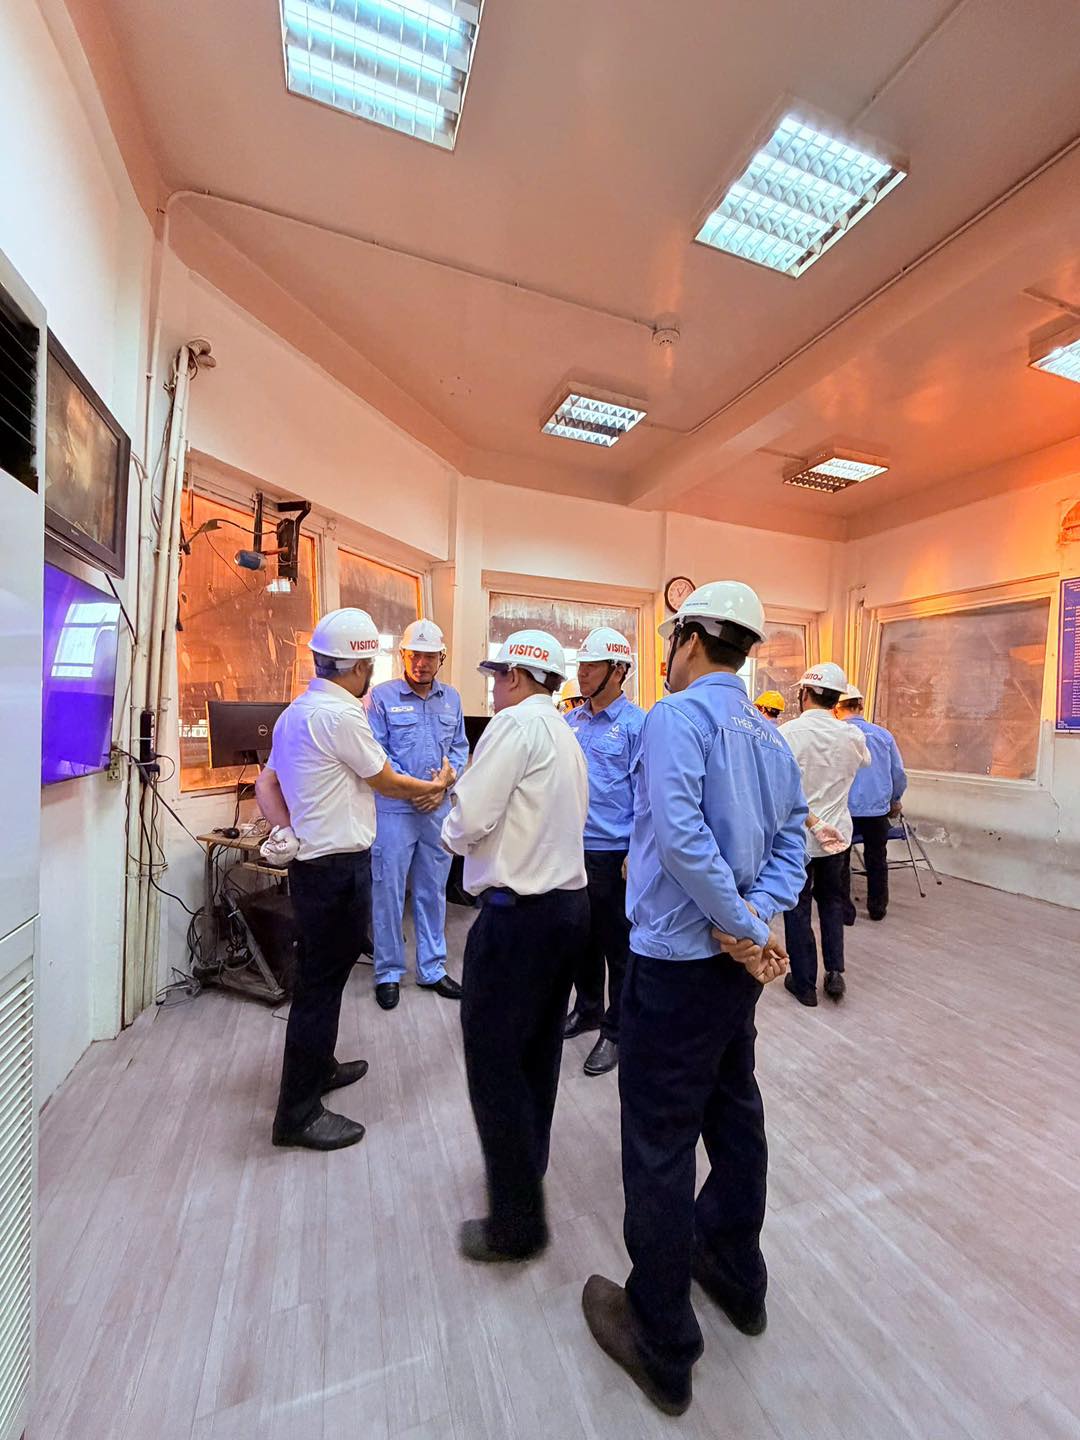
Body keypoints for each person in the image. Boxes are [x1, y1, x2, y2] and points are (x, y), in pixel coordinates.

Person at [580, 582, 808, 1417]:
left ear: (689, 639)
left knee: (660, 1142)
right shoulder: (770, 734)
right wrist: (753, 923)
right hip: (730, 973)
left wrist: (738, 923)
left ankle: (662, 1340)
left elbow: (679, 836)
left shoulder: (675, 718)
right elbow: (793, 841)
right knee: (733, 1110)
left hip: (675, 966)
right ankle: (738, 1276)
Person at [254, 608, 454, 1152]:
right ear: (359, 666)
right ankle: (296, 1115)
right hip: (336, 872)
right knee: (318, 991)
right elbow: (386, 781)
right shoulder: (343, 716)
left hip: (313, 867)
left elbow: (265, 785)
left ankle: (319, 1067)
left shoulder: (296, 712)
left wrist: (286, 831)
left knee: (324, 980)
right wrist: (434, 788)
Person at [441, 630, 589, 1263]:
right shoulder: (564, 731)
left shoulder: (512, 726)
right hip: (566, 912)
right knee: (537, 1053)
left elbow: (471, 817)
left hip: (516, 918)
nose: (494, 689)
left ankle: (516, 1224)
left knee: (495, 1064)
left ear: (518, 677)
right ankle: (529, 1166)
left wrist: (449, 831)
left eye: (497, 677)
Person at [366, 619, 470, 1011]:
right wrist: (417, 790)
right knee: (388, 892)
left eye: (429, 656)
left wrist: (443, 784)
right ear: (402, 655)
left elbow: (458, 747)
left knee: (432, 890)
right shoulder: (380, 698)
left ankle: (432, 968)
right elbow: (377, 754)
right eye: (414, 655)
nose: (421, 664)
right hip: (395, 809)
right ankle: (388, 972)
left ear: (441, 657)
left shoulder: (452, 699)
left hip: (436, 809)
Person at [563, 627, 645, 1076]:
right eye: (581, 665)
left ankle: (616, 1031)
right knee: (582, 941)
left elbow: (648, 794)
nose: (582, 674)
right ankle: (588, 1008)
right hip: (573, 851)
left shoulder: (638, 725)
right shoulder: (571, 721)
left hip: (616, 856)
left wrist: (637, 849)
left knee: (619, 948)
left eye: (591, 666)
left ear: (618, 671)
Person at [779, 663, 871, 1006]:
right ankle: (834, 973)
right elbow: (864, 762)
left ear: (804, 693)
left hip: (798, 838)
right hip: (837, 838)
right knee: (832, 903)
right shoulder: (852, 735)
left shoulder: (789, 734)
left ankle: (804, 984)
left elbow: (781, 789)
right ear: (837, 698)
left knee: (797, 908)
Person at [835, 684, 907, 922]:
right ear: (861, 705)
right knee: (877, 859)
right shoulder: (883, 735)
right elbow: (898, 773)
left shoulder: (835, 735)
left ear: (836, 708)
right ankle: (877, 908)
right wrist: (895, 799)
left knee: (841, 861)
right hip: (877, 810)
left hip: (844, 810)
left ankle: (845, 912)